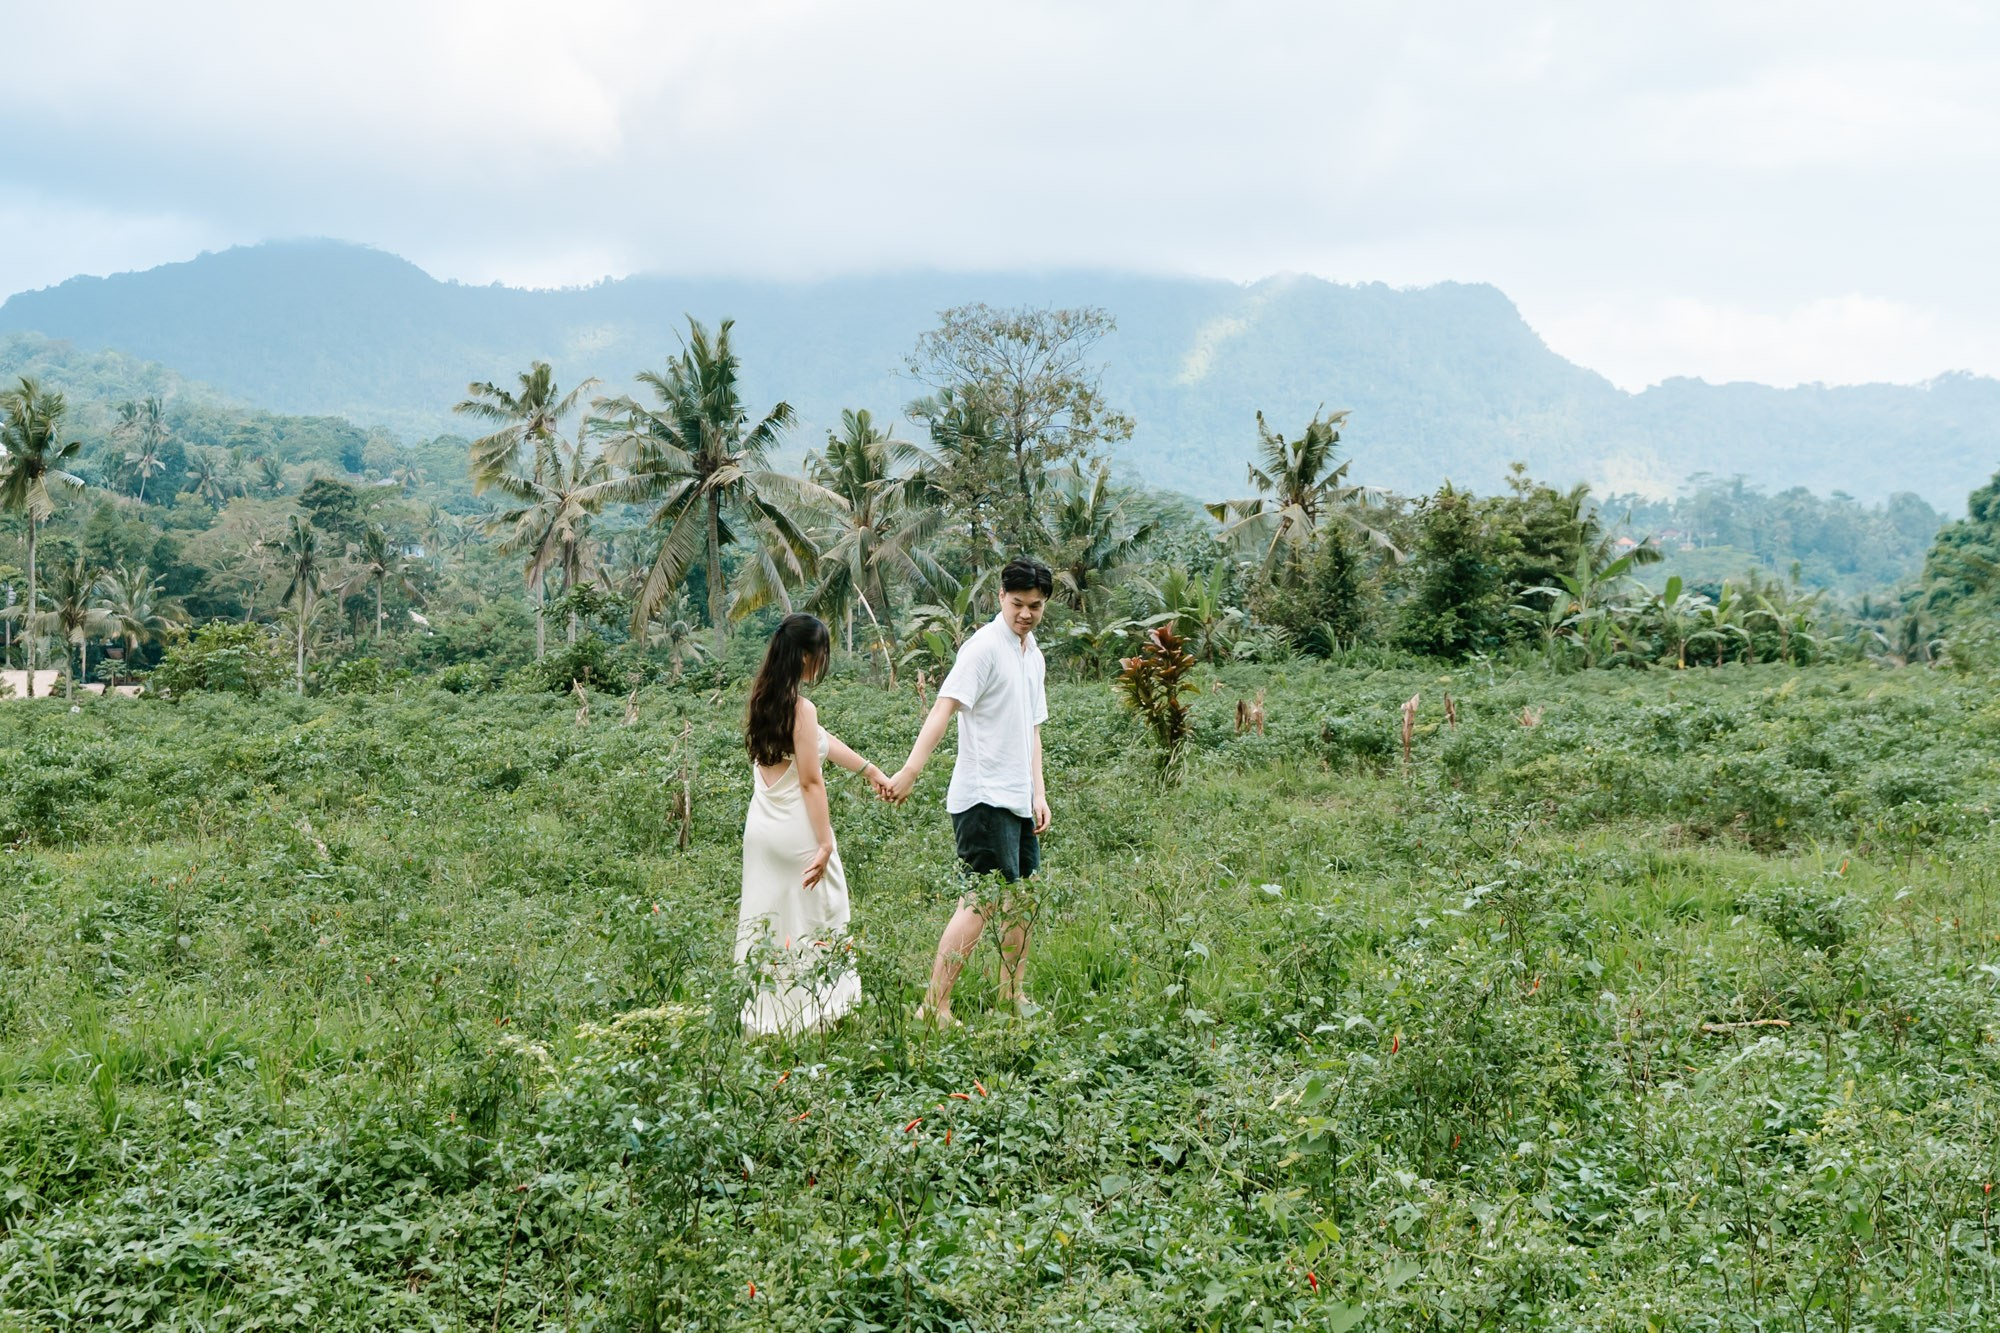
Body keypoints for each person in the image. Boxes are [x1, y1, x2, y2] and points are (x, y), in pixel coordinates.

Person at [885, 557, 1053, 1026]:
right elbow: (944, 708)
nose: (1025, 613)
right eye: (1017, 603)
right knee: (980, 902)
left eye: (1034, 606)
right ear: (1000, 597)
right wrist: (911, 771)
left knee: (1023, 900)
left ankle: (1010, 993)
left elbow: (1032, 729)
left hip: (1018, 798)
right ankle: (933, 1005)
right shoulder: (982, 649)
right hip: (983, 797)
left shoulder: (1032, 654)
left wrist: (1039, 793)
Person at [735, 613, 892, 1036]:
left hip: (762, 829)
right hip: (796, 830)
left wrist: (870, 770)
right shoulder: (801, 707)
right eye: (822, 653)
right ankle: (815, 1015)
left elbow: (821, 741)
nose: (823, 660)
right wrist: (825, 844)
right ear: (807, 655)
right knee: (821, 915)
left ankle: (764, 1016)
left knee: (769, 919)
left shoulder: (766, 698)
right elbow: (809, 780)